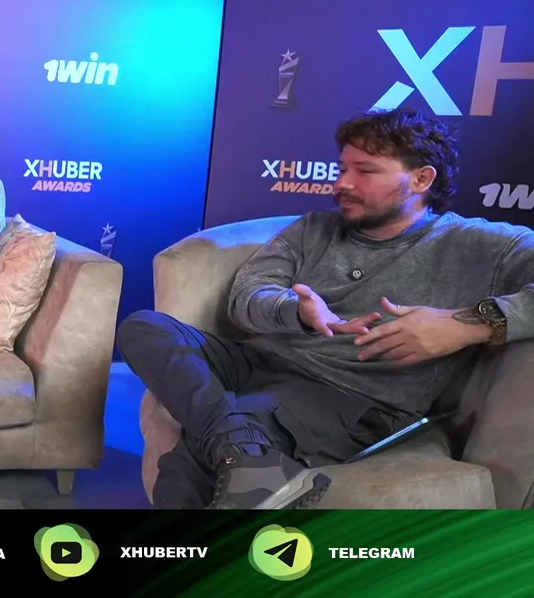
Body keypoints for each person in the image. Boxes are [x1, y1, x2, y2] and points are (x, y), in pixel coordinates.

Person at [118, 108, 534, 510]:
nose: (343, 183)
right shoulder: (314, 227)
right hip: (256, 361)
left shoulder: (483, 246)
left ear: (422, 179)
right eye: (342, 169)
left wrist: (470, 324)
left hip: (349, 395)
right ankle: (240, 445)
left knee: (196, 457)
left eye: (365, 171)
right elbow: (247, 294)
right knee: (144, 327)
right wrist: (296, 312)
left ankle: (232, 456)